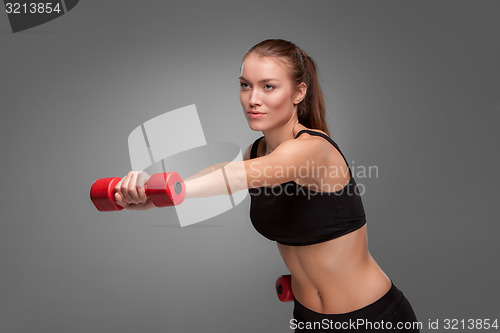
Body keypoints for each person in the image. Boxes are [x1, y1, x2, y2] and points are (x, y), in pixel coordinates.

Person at [113, 39, 420, 332]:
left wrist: (171, 190)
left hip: (372, 319)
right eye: (245, 85)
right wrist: (156, 196)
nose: (252, 98)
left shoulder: (313, 149)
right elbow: (224, 171)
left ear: (299, 92)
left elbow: (237, 177)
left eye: (268, 86)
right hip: (308, 319)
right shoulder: (256, 151)